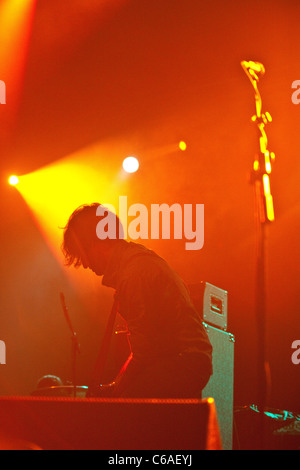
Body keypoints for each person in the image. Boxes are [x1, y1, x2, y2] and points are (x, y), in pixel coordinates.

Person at [62, 203, 212, 398]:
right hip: (183, 360)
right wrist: (117, 384)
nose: (83, 264)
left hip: (182, 363)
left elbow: (144, 354)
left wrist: (117, 390)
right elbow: (144, 347)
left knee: (122, 412)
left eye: (81, 254)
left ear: (93, 243)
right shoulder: (137, 261)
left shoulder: (133, 274)